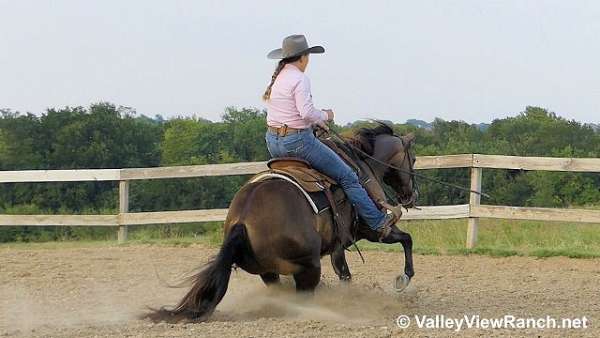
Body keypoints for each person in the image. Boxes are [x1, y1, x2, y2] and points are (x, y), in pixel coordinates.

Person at [262, 34, 396, 239]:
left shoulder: (278, 78)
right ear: (303, 57)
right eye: (307, 56)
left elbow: (293, 114)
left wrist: (314, 121)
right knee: (348, 176)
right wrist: (326, 115)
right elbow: (306, 113)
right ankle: (377, 221)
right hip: (298, 143)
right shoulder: (300, 78)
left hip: (273, 142)